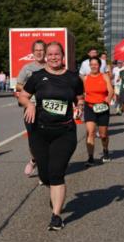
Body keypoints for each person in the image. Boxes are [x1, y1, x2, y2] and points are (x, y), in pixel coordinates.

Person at [17, 41, 84, 231]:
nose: (54, 57)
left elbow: (80, 97)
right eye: (51, 54)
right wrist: (29, 104)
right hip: (40, 131)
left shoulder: (73, 78)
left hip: (65, 132)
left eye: (57, 54)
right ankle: (52, 192)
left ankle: (56, 216)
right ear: (46, 56)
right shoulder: (38, 77)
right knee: (45, 175)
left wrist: (79, 108)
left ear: (63, 56)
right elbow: (23, 95)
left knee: (57, 173)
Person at [15, 40, 47, 178]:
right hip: (30, 107)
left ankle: (44, 169)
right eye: (37, 50)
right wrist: (32, 90)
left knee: (46, 138)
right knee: (34, 140)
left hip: (47, 108)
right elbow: (18, 86)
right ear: (33, 53)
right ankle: (34, 160)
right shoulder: (27, 68)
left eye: (41, 50)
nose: (39, 52)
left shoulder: (50, 67)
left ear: (45, 52)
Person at [82, 56, 114, 165]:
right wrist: (79, 102)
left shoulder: (104, 76)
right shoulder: (85, 78)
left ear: (99, 65)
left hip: (103, 107)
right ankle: (90, 157)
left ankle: (105, 150)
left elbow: (110, 90)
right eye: (92, 64)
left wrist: (108, 98)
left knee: (103, 134)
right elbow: (81, 93)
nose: (93, 66)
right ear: (89, 66)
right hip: (89, 107)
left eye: (96, 64)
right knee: (90, 132)